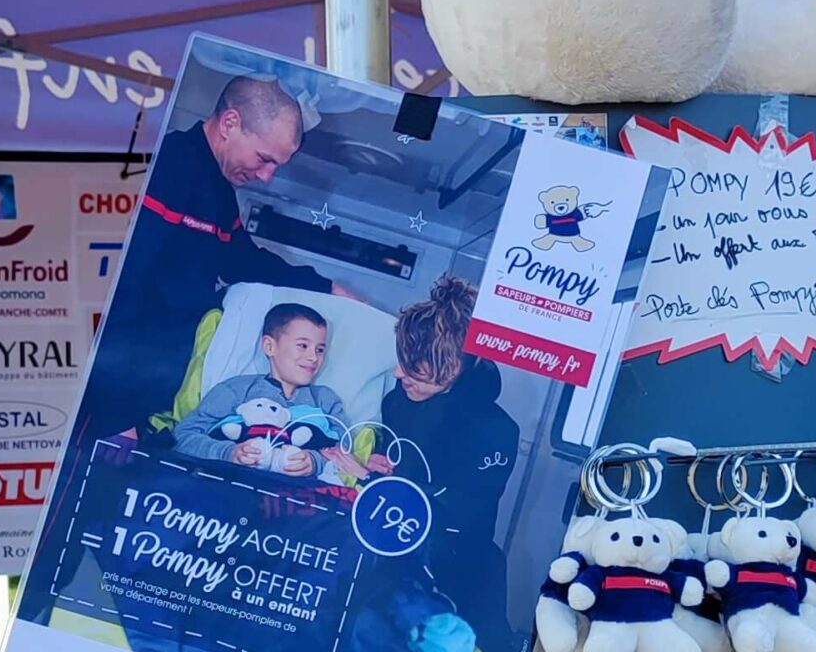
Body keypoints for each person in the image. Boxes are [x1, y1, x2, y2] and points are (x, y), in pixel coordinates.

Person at [72, 74, 330, 445]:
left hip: (144, 394)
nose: (267, 177)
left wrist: (326, 287)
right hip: (104, 398)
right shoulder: (167, 168)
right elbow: (118, 289)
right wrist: (116, 413)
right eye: (263, 159)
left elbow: (242, 260)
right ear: (230, 123)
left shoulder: (219, 191)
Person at [361, 276, 519, 624]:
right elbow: (393, 461)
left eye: (414, 367)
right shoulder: (397, 402)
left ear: (453, 366)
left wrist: (380, 483)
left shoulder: (496, 432)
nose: (398, 373)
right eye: (402, 360)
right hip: (387, 549)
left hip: (452, 578)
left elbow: (461, 514)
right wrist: (376, 466)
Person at [175, 302, 361, 483]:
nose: (313, 357)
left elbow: (345, 450)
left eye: (320, 350)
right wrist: (228, 453)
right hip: (228, 483)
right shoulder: (236, 389)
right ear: (270, 346)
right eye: (303, 346)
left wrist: (315, 462)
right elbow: (183, 436)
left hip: (295, 493)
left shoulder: (324, 400)